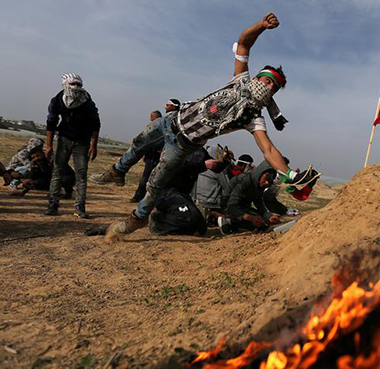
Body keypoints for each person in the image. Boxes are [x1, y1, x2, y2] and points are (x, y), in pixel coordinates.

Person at [104, 13, 318, 237]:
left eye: (273, 87)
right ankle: (117, 171)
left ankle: (136, 220)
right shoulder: (240, 80)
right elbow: (244, 42)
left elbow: (269, 150)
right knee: (139, 142)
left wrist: (290, 176)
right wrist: (262, 26)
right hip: (173, 120)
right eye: (267, 81)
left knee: (155, 185)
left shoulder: (254, 118)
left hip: (183, 145)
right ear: (257, 78)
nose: (268, 87)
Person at [43, 73, 100, 218]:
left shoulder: (86, 102)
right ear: (65, 85)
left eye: (79, 85)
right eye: (73, 84)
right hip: (64, 139)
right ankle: (53, 205)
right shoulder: (57, 100)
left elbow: (96, 123)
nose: (76, 87)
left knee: (81, 175)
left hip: (82, 142)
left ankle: (79, 208)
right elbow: (51, 122)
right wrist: (48, 145)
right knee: (57, 172)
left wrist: (94, 145)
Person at [90, 99, 180, 187]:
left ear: (173, 106)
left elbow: (140, 143)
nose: (165, 107)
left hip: (155, 155)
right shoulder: (176, 122)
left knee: (139, 145)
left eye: (167, 105)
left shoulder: (167, 121)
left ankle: (118, 171)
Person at [149, 148, 224, 235]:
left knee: (200, 228)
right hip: (168, 191)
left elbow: (216, 168)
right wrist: (203, 165)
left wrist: (224, 160)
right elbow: (177, 168)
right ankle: (158, 219)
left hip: (183, 194)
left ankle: (175, 225)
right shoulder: (177, 148)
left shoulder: (201, 151)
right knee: (190, 216)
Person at [218, 161, 281, 234]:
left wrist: (269, 216)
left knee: (264, 221)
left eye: (269, 181)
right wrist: (249, 218)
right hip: (229, 207)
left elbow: (258, 202)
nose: (266, 183)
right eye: (266, 177)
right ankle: (228, 221)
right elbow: (232, 205)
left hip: (242, 207)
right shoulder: (245, 180)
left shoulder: (259, 183)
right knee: (258, 225)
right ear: (260, 173)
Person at [193, 152, 252, 223]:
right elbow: (227, 187)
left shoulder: (201, 168)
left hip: (200, 202)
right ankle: (216, 215)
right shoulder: (218, 171)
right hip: (214, 204)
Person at [10, 145, 75, 197]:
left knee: (63, 180)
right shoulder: (35, 163)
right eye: (33, 157)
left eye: (38, 156)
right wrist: (23, 192)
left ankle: (67, 192)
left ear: (43, 154)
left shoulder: (52, 160)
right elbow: (31, 178)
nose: (36, 158)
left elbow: (59, 174)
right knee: (36, 183)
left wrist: (53, 192)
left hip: (66, 177)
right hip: (51, 178)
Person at [130, 110, 163, 203]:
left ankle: (142, 197)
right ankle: (140, 196)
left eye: (152, 117)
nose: (150, 119)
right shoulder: (153, 128)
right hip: (150, 156)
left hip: (157, 156)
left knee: (149, 178)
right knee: (146, 177)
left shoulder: (162, 128)